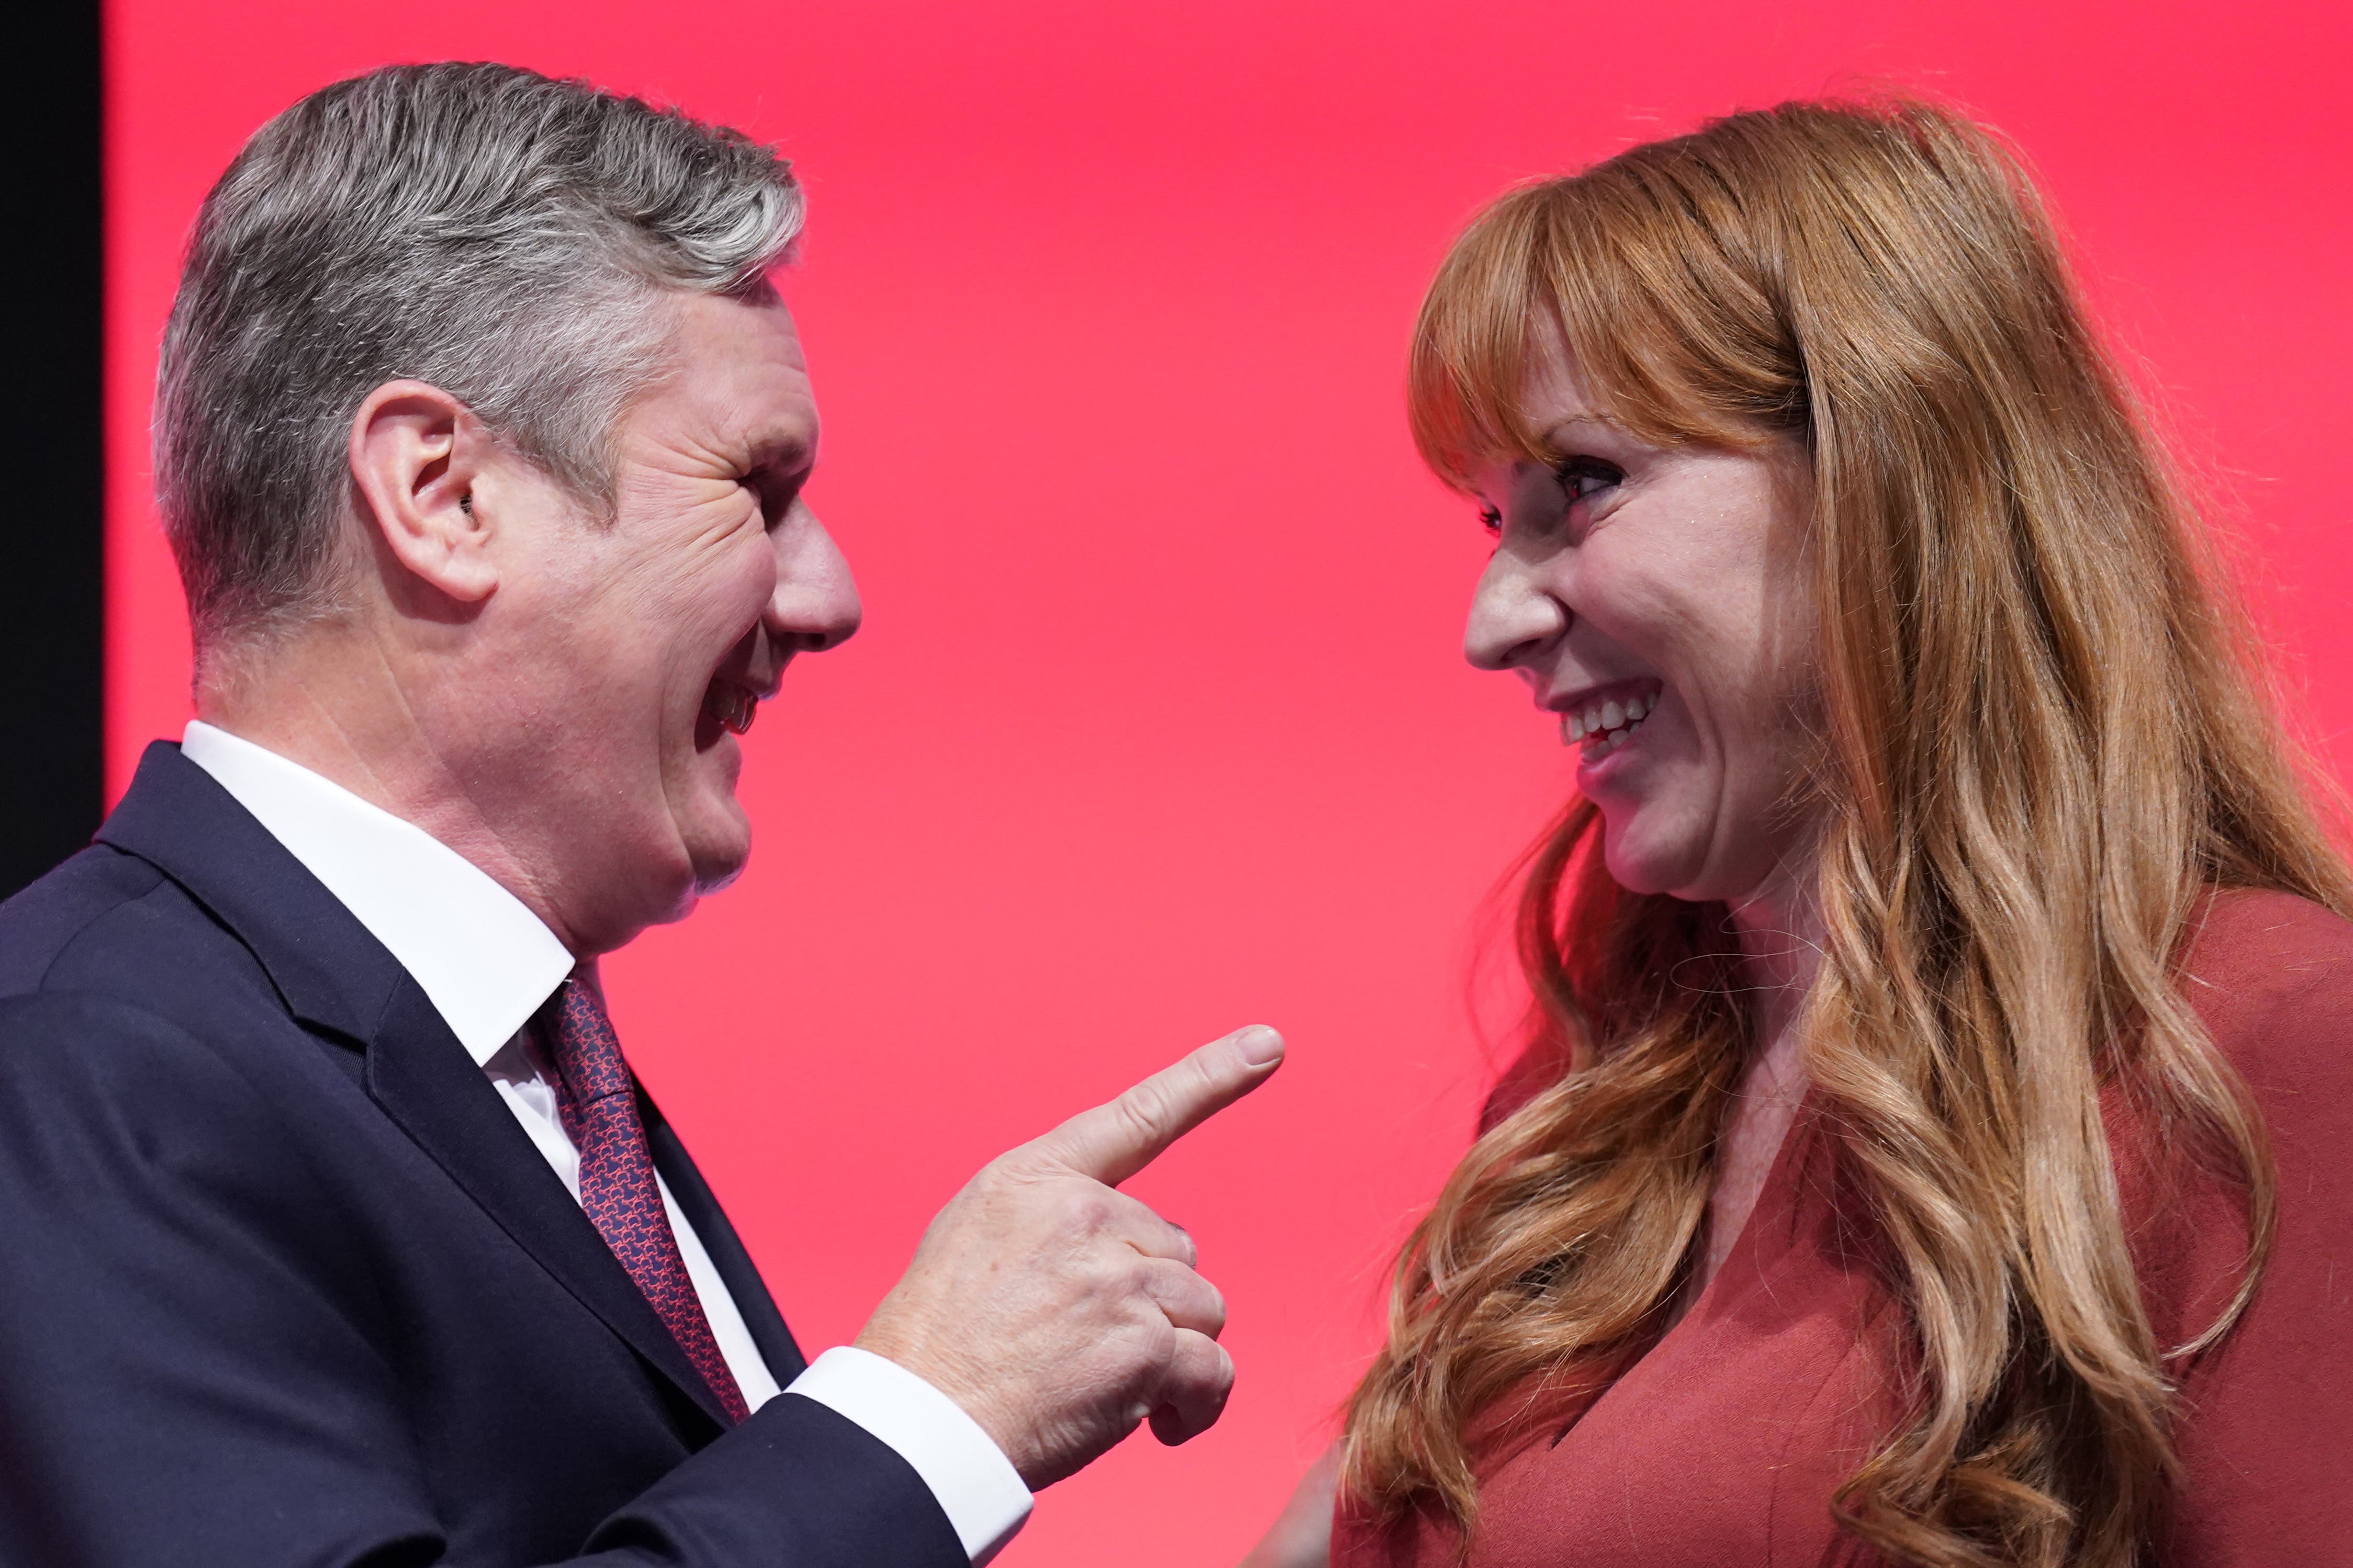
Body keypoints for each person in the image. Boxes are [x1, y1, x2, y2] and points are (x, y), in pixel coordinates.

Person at [0, 62, 1285, 1567]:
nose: (830, 597)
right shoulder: (74, 1056)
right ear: (443, 495)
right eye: (755, 486)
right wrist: (937, 1417)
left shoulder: (513, 1072)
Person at [1243, 98, 2352, 1568]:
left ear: (1888, 474)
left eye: (1581, 487)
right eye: (1489, 520)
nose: (1491, 624)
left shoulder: (2263, 1039)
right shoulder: (1597, 1106)